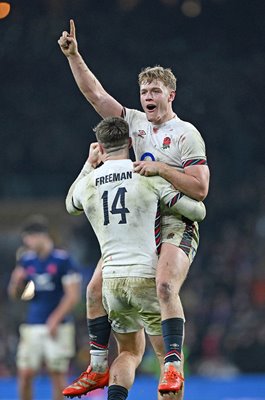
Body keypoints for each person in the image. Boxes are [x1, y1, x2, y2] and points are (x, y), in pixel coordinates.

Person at [58, 20, 210, 398]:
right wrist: (74, 56)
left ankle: (173, 364)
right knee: (95, 289)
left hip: (176, 217)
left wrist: (160, 168)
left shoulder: (185, 133)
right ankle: (97, 369)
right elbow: (96, 95)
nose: (148, 95)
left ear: (171, 95)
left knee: (162, 285)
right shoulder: (134, 123)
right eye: (144, 90)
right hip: (138, 221)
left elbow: (201, 189)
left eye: (155, 89)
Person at [64, 116, 206, 400]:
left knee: (128, 352)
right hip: (145, 278)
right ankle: (172, 365)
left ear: (100, 148)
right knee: (167, 366)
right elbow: (197, 211)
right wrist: (166, 174)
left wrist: (88, 165)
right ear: (130, 143)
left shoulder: (89, 182)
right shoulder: (146, 175)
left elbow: (70, 205)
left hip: (112, 285)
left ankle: (100, 371)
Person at [8, 215, 82, 400]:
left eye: (30, 237)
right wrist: (16, 282)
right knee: (25, 374)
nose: (28, 242)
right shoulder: (27, 260)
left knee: (57, 374)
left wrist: (55, 319)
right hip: (33, 323)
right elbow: (16, 296)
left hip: (59, 325)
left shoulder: (62, 260)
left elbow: (73, 295)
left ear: (42, 236)